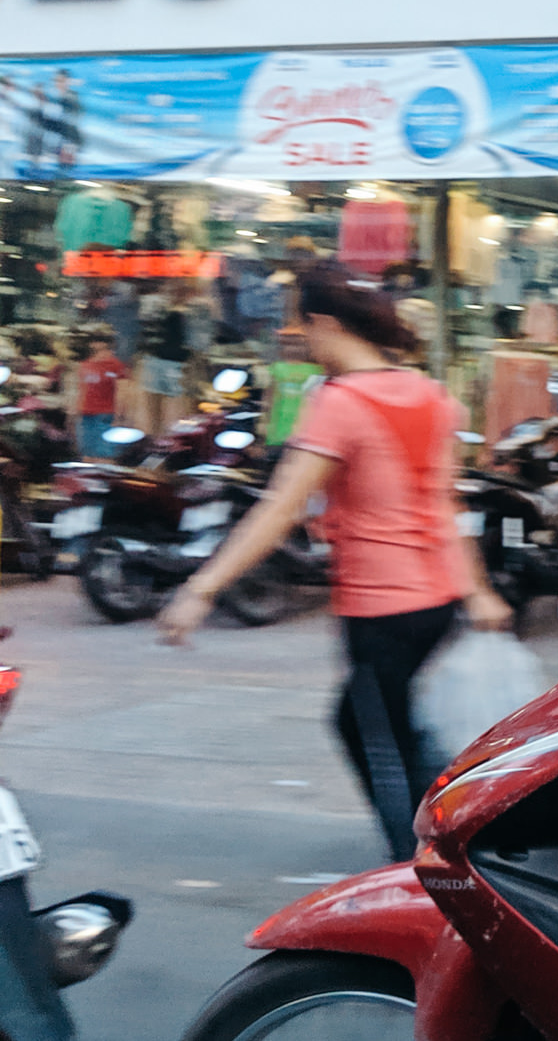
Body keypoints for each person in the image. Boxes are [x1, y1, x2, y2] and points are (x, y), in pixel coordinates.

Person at [158, 264, 513, 861]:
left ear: (324, 323)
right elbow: (448, 504)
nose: (299, 338)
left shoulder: (342, 403)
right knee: (383, 726)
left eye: (302, 325)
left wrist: (202, 587)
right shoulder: (430, 395)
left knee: (379, 741)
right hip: (437, 600)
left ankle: (425, 871)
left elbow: (278, 509)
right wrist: (477, 590)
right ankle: (460, 834)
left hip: (381, 607)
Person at [73, 330, 125, 459]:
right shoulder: (86, 364)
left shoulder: (115, 366)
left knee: (104, 452)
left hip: (105, 413)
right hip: (87, 413)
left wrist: (119, 415)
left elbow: (121, 391)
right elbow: (81, 390)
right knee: (87, 451)